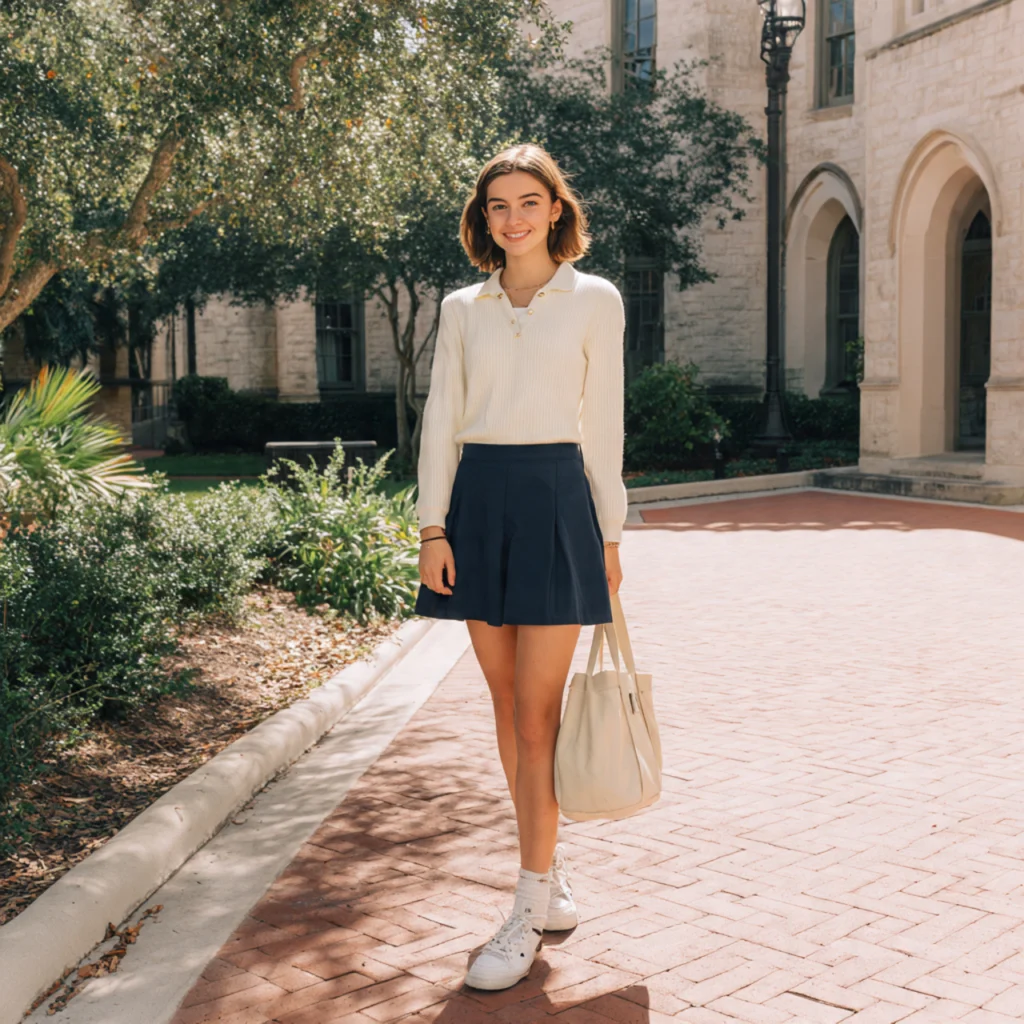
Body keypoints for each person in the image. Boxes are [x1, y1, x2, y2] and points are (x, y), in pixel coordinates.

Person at [414, 142, 627, 991]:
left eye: (528, 202)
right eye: (498, 204)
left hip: (556, 502)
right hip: (479, 504)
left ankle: (527, 905)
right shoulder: (462, 305)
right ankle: (550, 871)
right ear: (484, 217)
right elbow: (440, 420)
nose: (514, 217)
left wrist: (609, 537)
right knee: (505, 708)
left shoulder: (594, 300)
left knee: (538, 720)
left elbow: (604, 423)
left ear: (555, 210)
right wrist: (433, 529)